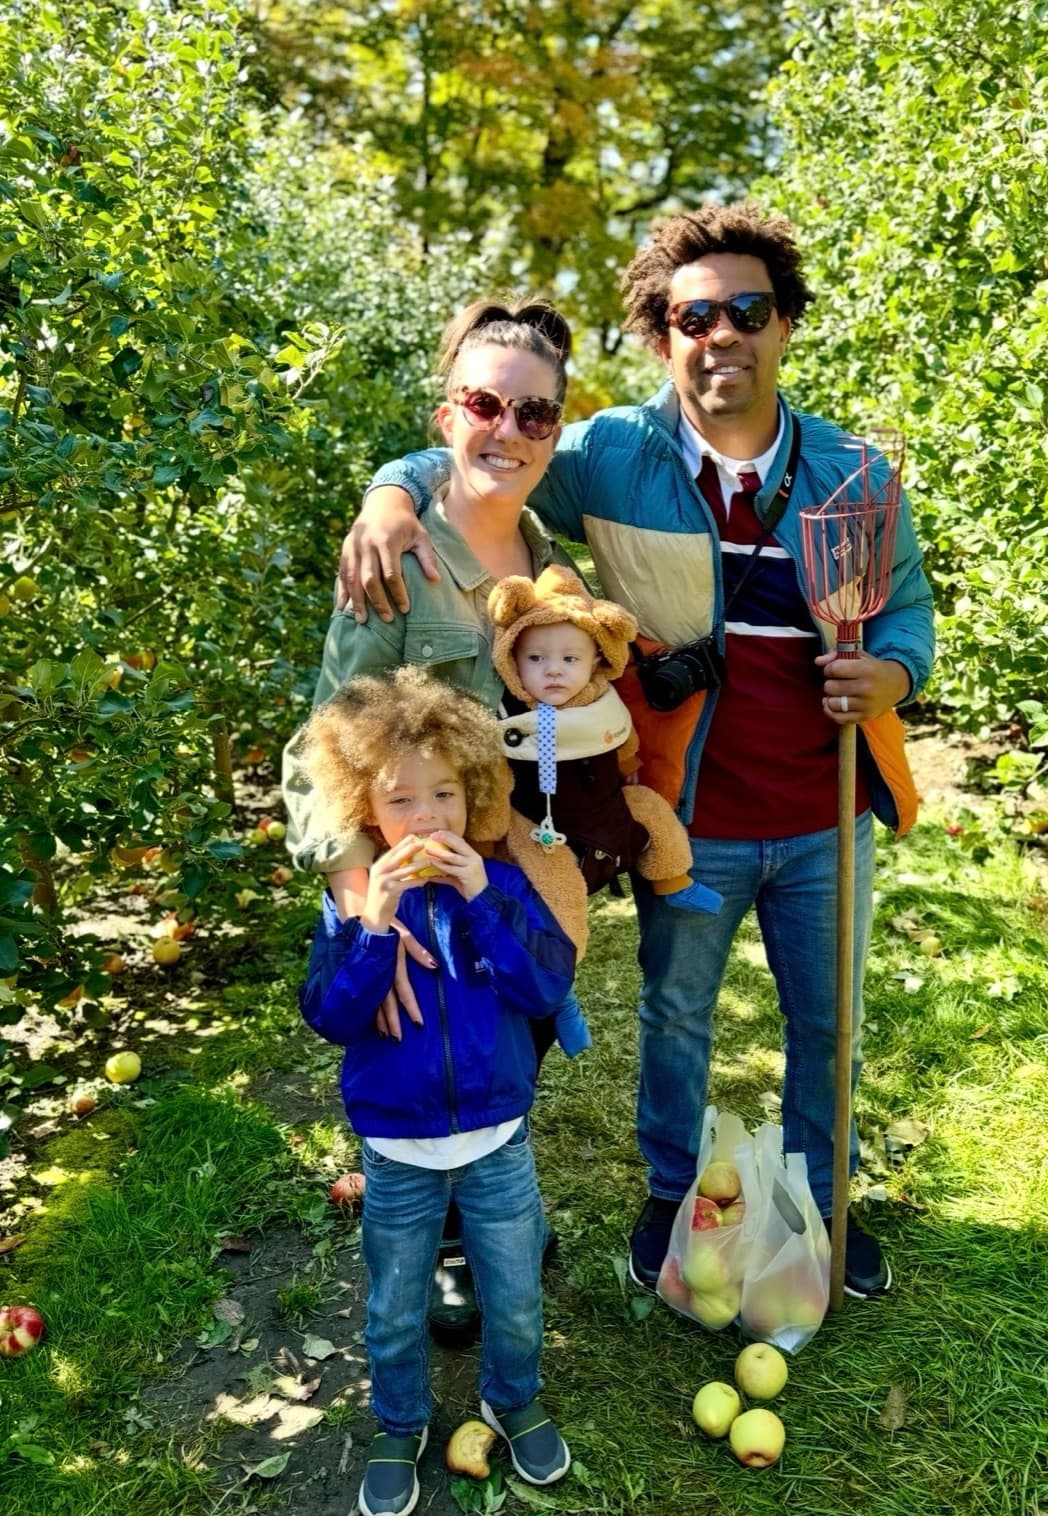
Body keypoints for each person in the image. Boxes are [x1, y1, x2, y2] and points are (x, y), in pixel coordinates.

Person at [336, 201, 936, 1300]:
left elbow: (907, 615)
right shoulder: (612, 455)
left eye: (746, 310)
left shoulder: (854, 478)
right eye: (691, 315)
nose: (721, 334)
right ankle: (670, 1190)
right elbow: (486, 450)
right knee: (673, 1011)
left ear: (784, 325)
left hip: (823, 812)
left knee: (827, 1017)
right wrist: (388, 492)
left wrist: (889, 673)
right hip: (691, 812)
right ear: (662, 335)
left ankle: (817, 1196)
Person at [284, 298, 587, 1345]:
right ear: (444, 411)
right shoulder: (400, 552)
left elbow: (546, 706)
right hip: (414, 867)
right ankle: (453, 1244)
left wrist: (551, 815)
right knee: (427, 1040)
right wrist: (367, 898)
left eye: (534, 413)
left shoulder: (547, 546)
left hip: (502, 858)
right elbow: (330, 739)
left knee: (508, 1029)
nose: (507, 429)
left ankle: (496, 1202)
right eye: (482, 402)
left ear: (557, 426)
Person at [298, 666, 575, 1516]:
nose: (427, 820)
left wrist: (485, 898)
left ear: (474, 792)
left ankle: (511, 1396)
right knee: (391, 1303)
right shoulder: (352, 913)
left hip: (497, 1139)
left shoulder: (499, 887)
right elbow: (333, 1018)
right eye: (403, 802)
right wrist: (374, 929)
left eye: (446, 795)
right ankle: (398, 1423)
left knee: (517, 1292)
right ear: (365, 813)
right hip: (397, 1151)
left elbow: (545, 984)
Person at [488, 561, 722, 913]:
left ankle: (673, 879)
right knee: (554, 882)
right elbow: (497, 774)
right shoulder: (510, 717)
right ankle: (563, 942)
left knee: (651, 809)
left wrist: (629, 763)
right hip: (541, 823)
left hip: (606, 806)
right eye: (535, 658)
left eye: (570, 659)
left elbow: (620, 738)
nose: (553, 670)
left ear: (595, 661)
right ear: (511, 660)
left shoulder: (602, 703)